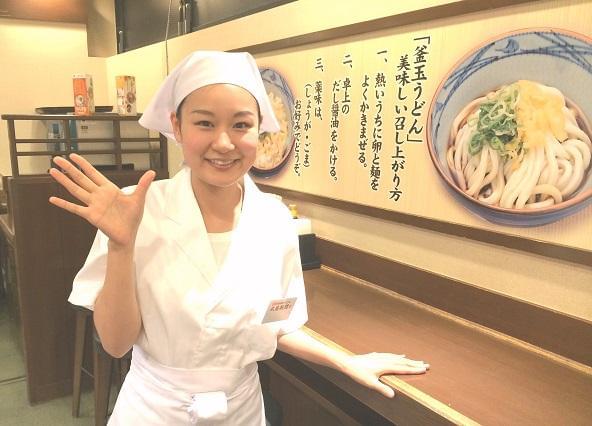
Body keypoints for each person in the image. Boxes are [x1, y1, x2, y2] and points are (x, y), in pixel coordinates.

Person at [49, 51, 428, 425]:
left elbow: (277, 324)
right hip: (155, 411)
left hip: (241, 412)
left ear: (259, 129)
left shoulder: (274, 220)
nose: (224, 143)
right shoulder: (137, 209)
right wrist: (121, 246)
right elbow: (116, 344)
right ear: (177, 126)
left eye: (241, 125)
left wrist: (344, 361)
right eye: (205, 123)